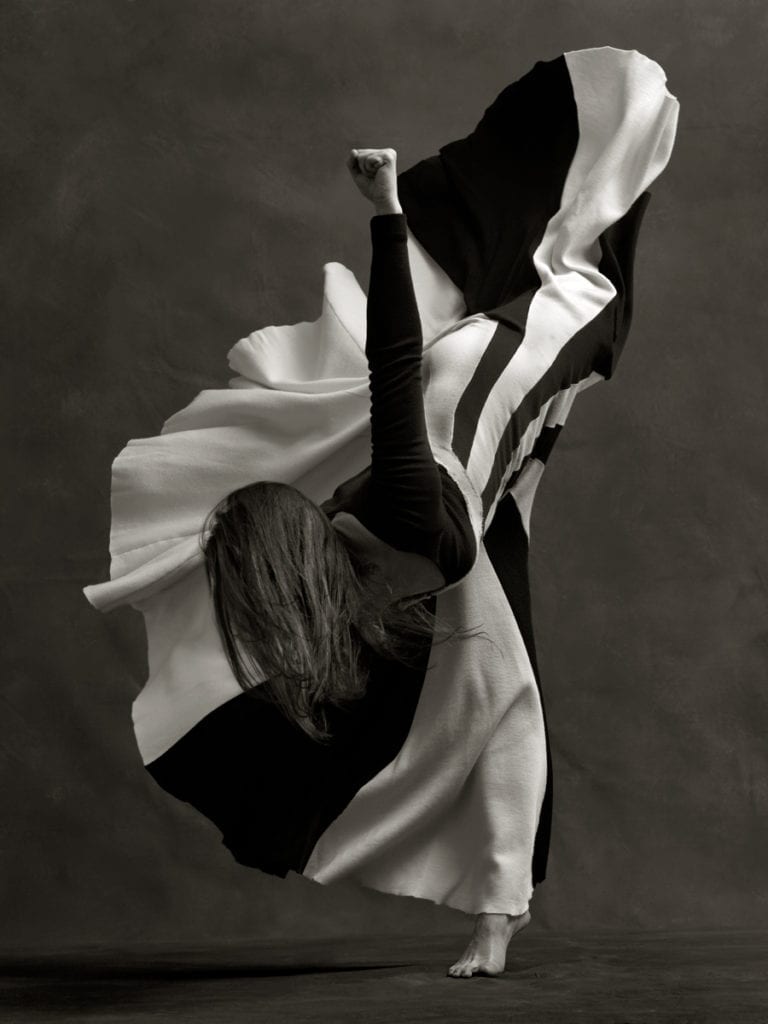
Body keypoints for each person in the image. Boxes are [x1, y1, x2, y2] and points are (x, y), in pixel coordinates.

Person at [85, 48, 679, 977]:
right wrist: (389, 212)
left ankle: (502, 905)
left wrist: (395, 217)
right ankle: (503, 910)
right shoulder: (404, 524)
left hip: (500, 385)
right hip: (518, 391)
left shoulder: (383, 525)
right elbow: (405, 369)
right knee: (498, 695)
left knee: (586, 214)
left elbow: (401, 371)